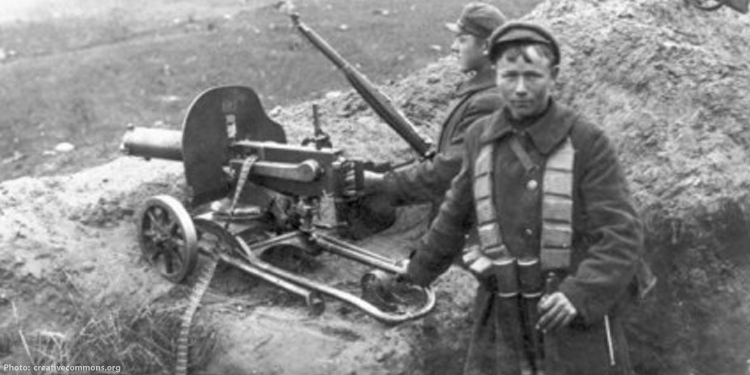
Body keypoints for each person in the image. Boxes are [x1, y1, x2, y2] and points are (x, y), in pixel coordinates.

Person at [382, 21, 656, 375]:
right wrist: (417, 271)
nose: (521, 88)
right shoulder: (480, 136)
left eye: (533, 76)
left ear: (553, 76)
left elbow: (622, 233)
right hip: (503, 314)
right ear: (496, 74)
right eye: (510, 76)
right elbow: (454, 213)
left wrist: (579, 294)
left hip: (569, 317)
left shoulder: (587, 142)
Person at [360, 2, 506, 212]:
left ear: (485, 47)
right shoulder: (483, 92)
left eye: (462, 39)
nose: (454, 47)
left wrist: (381, 182)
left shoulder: (489, 101)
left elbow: (448, 174)